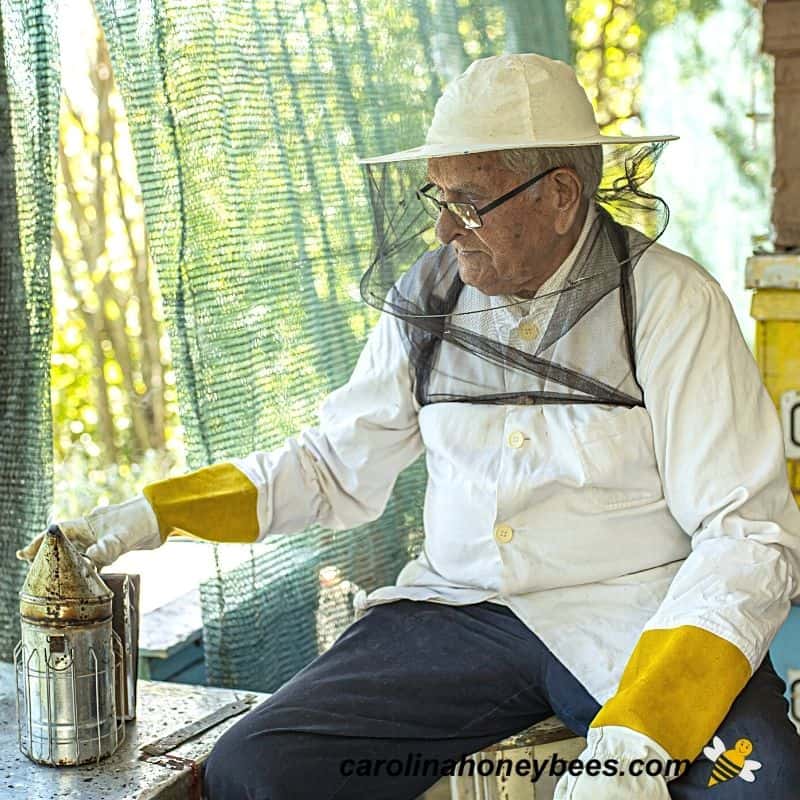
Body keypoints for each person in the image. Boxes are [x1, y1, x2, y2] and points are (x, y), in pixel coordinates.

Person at [19, 53, 800, 799]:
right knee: (260, 770)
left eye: (467, 202)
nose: (443, 232)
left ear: (561, 196)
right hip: (457, 613)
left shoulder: (672, 304)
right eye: (439, 199)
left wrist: (640, 741)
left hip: (641, 612)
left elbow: (747, 535)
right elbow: (331, 465)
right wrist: (146, 516)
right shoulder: (427, 298)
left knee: (764, 786)